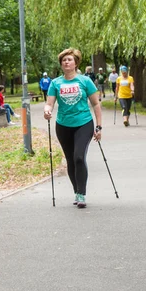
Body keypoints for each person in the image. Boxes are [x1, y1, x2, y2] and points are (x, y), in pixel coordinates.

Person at [43, 48, 102, 208]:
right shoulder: (56, 83)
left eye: (69, 59)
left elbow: (96, 104)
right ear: (61, 64)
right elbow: (50, 103)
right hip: (63, 126)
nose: (66, 62)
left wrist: (99, 126)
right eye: (64, 60)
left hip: (84, 123)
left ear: (76, 63)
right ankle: (77, 191)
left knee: (79, 157)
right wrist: (47, 110)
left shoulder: (85, 81)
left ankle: (82, 194)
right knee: (70, 160)